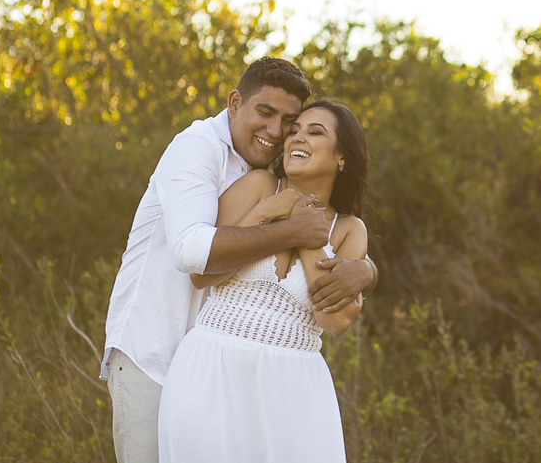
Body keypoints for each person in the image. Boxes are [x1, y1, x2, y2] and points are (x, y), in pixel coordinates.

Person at [102, 59, 377, 463]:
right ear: (235, 103)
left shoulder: (273, 176)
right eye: (267, 114)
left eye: (291, 121)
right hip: (156, 352)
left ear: (341, 157)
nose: (280, 132)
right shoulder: (200, 150)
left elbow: (335, 317)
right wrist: (289, 222)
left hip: (282, 385)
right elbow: (194, 257)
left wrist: (366, 270)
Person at [157, 98, 370, 462]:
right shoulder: (257, 186)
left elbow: (334, 321)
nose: (296, 139)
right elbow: (201, 273)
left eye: (314, 132)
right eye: (295, 131)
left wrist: (308, 233)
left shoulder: (350, 230)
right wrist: (268, 212)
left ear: (342, 158)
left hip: (295, 389)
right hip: (211, 369)